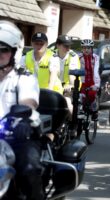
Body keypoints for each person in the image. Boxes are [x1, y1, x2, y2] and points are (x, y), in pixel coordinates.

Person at [0, 20, 44, 199]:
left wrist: (23, 116)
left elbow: (29, 101)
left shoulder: (23, 78)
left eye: (4, 49)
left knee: (29, 169)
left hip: (18, 135)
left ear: (14, 52)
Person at [53, 35, 80, 116]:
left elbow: (72, 74)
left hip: (69, 85)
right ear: (58, 45)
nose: (68, 48)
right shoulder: (52, 55)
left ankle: (73, 125)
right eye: (65, 46)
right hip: (56, 86)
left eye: (69, 45)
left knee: (67, 103)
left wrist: (70, 85)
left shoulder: (73, 56)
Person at [78, 39, 100, 120]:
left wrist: (96, 85)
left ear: (92, 49)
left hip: (92, 81)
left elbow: (96, 71)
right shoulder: (79, 57)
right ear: (82, 49)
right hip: (82, 81)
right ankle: (81, 112)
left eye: (88, 48)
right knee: (80, 97)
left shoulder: (95, 58)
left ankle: (94, 111)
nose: (86, 50)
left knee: (92, 95)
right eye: (84, 48)